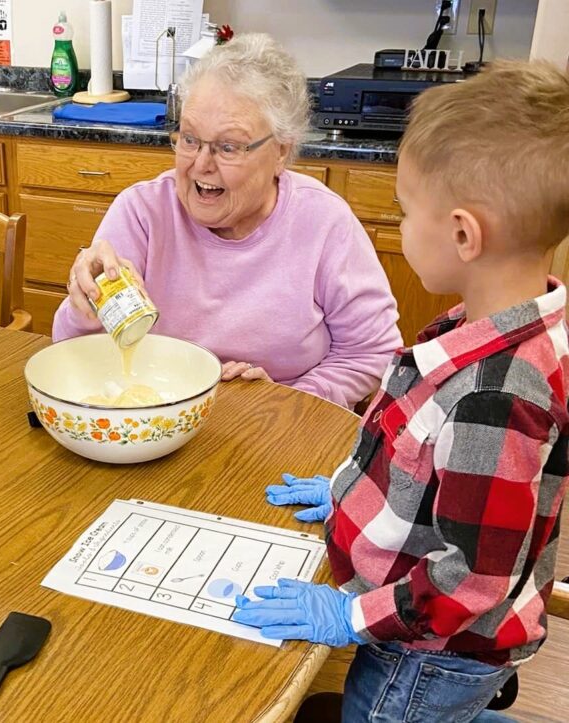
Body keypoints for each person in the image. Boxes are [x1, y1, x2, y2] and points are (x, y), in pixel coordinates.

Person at [235, 60, 569, 721]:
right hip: (429, 635)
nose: (399, 223)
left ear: (463, 234)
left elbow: (471, 580)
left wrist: (349, 612)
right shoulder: (503, 322)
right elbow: (423, 456)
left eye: (406, 210)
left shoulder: (497, 398)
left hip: (428, 656)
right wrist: (346, 494)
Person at [55, 33, 401, 409]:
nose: (201, 164)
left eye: (228, 147)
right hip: (158, 414)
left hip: (280, 428)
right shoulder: (142, 212)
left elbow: (372, 351)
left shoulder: (324, 222)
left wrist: (287, 399)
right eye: (189, 139)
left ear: (281, 151)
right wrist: (85, 305)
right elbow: (73, 351)